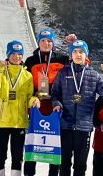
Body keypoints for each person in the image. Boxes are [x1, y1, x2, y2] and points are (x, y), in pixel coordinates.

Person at [51, 40, 103, 176]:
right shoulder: (63, 73)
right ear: (70, 55)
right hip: (65, 125)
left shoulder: (94, 75)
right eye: (75, 51)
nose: (78, 55)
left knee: (80, 165)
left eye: (81, 52)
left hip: (84, 127)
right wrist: (56, 104)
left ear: (86, 55)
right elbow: (54, 94)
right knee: (64, 163)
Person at [24, 29, 77, 176]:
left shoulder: (62, 59)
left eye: (49, 41)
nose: (46, 43)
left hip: (55, 107)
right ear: (39, 42)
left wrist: (74, 45)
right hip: (37, 107)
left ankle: (53, 173)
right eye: (43, 40)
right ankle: (29, 173)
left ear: (53, 43)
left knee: (54, 145)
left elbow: (81, 63)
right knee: (33, 143)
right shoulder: (31, 61)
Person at [0, 40, 39, 176]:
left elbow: (29, 97)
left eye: (19, 54)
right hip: (2, 122)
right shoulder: (1, 71)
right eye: (13, 54)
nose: (17, 57)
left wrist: (34, 101)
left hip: (19, 123)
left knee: (17, 158)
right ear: (8, 54)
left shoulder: (27, 76)